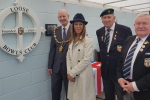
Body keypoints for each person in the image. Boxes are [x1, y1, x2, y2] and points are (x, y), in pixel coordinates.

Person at [96, 8, 132, 100]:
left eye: (109, 17)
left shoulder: (125, 30)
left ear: (114, 18)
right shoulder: (99, 32)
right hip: (106, 71)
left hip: (119, 72)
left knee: (121, 96)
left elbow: (129, 51)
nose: (106, 19)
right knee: (108, 96)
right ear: (101, 20)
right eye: (104, 17)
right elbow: (103, 50)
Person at [117, 14, 150, 100]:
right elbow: (120, 62)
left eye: (145, 23)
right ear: (134, 25)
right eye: (138, 23)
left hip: (145, 92)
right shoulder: (129, 40)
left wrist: (135, 86)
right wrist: (120, 78)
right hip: (125, 89)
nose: (141, 26)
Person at [66, 13, 96, 100]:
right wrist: (69, 72)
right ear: (73, 26)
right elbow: (68, 56)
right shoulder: (71, 39)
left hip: (82, 75)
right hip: (72, 76)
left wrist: (72, 73)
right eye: (76, 24)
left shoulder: (88, 40)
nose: (78, 26)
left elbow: (86, 60)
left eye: (80, 24)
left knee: (82, 97)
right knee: (73, 97)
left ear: (83, 26)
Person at [47, 9, 71, 100]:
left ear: (68, 16)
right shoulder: (55, 31)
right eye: (60, 17)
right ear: (58, 18)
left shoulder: (74, 30)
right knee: (55, 90)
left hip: (69, 68)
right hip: (56, 68)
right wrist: (50, 66)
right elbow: (52, 49)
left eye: (64, 16)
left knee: (70, 92)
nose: (62, 18)